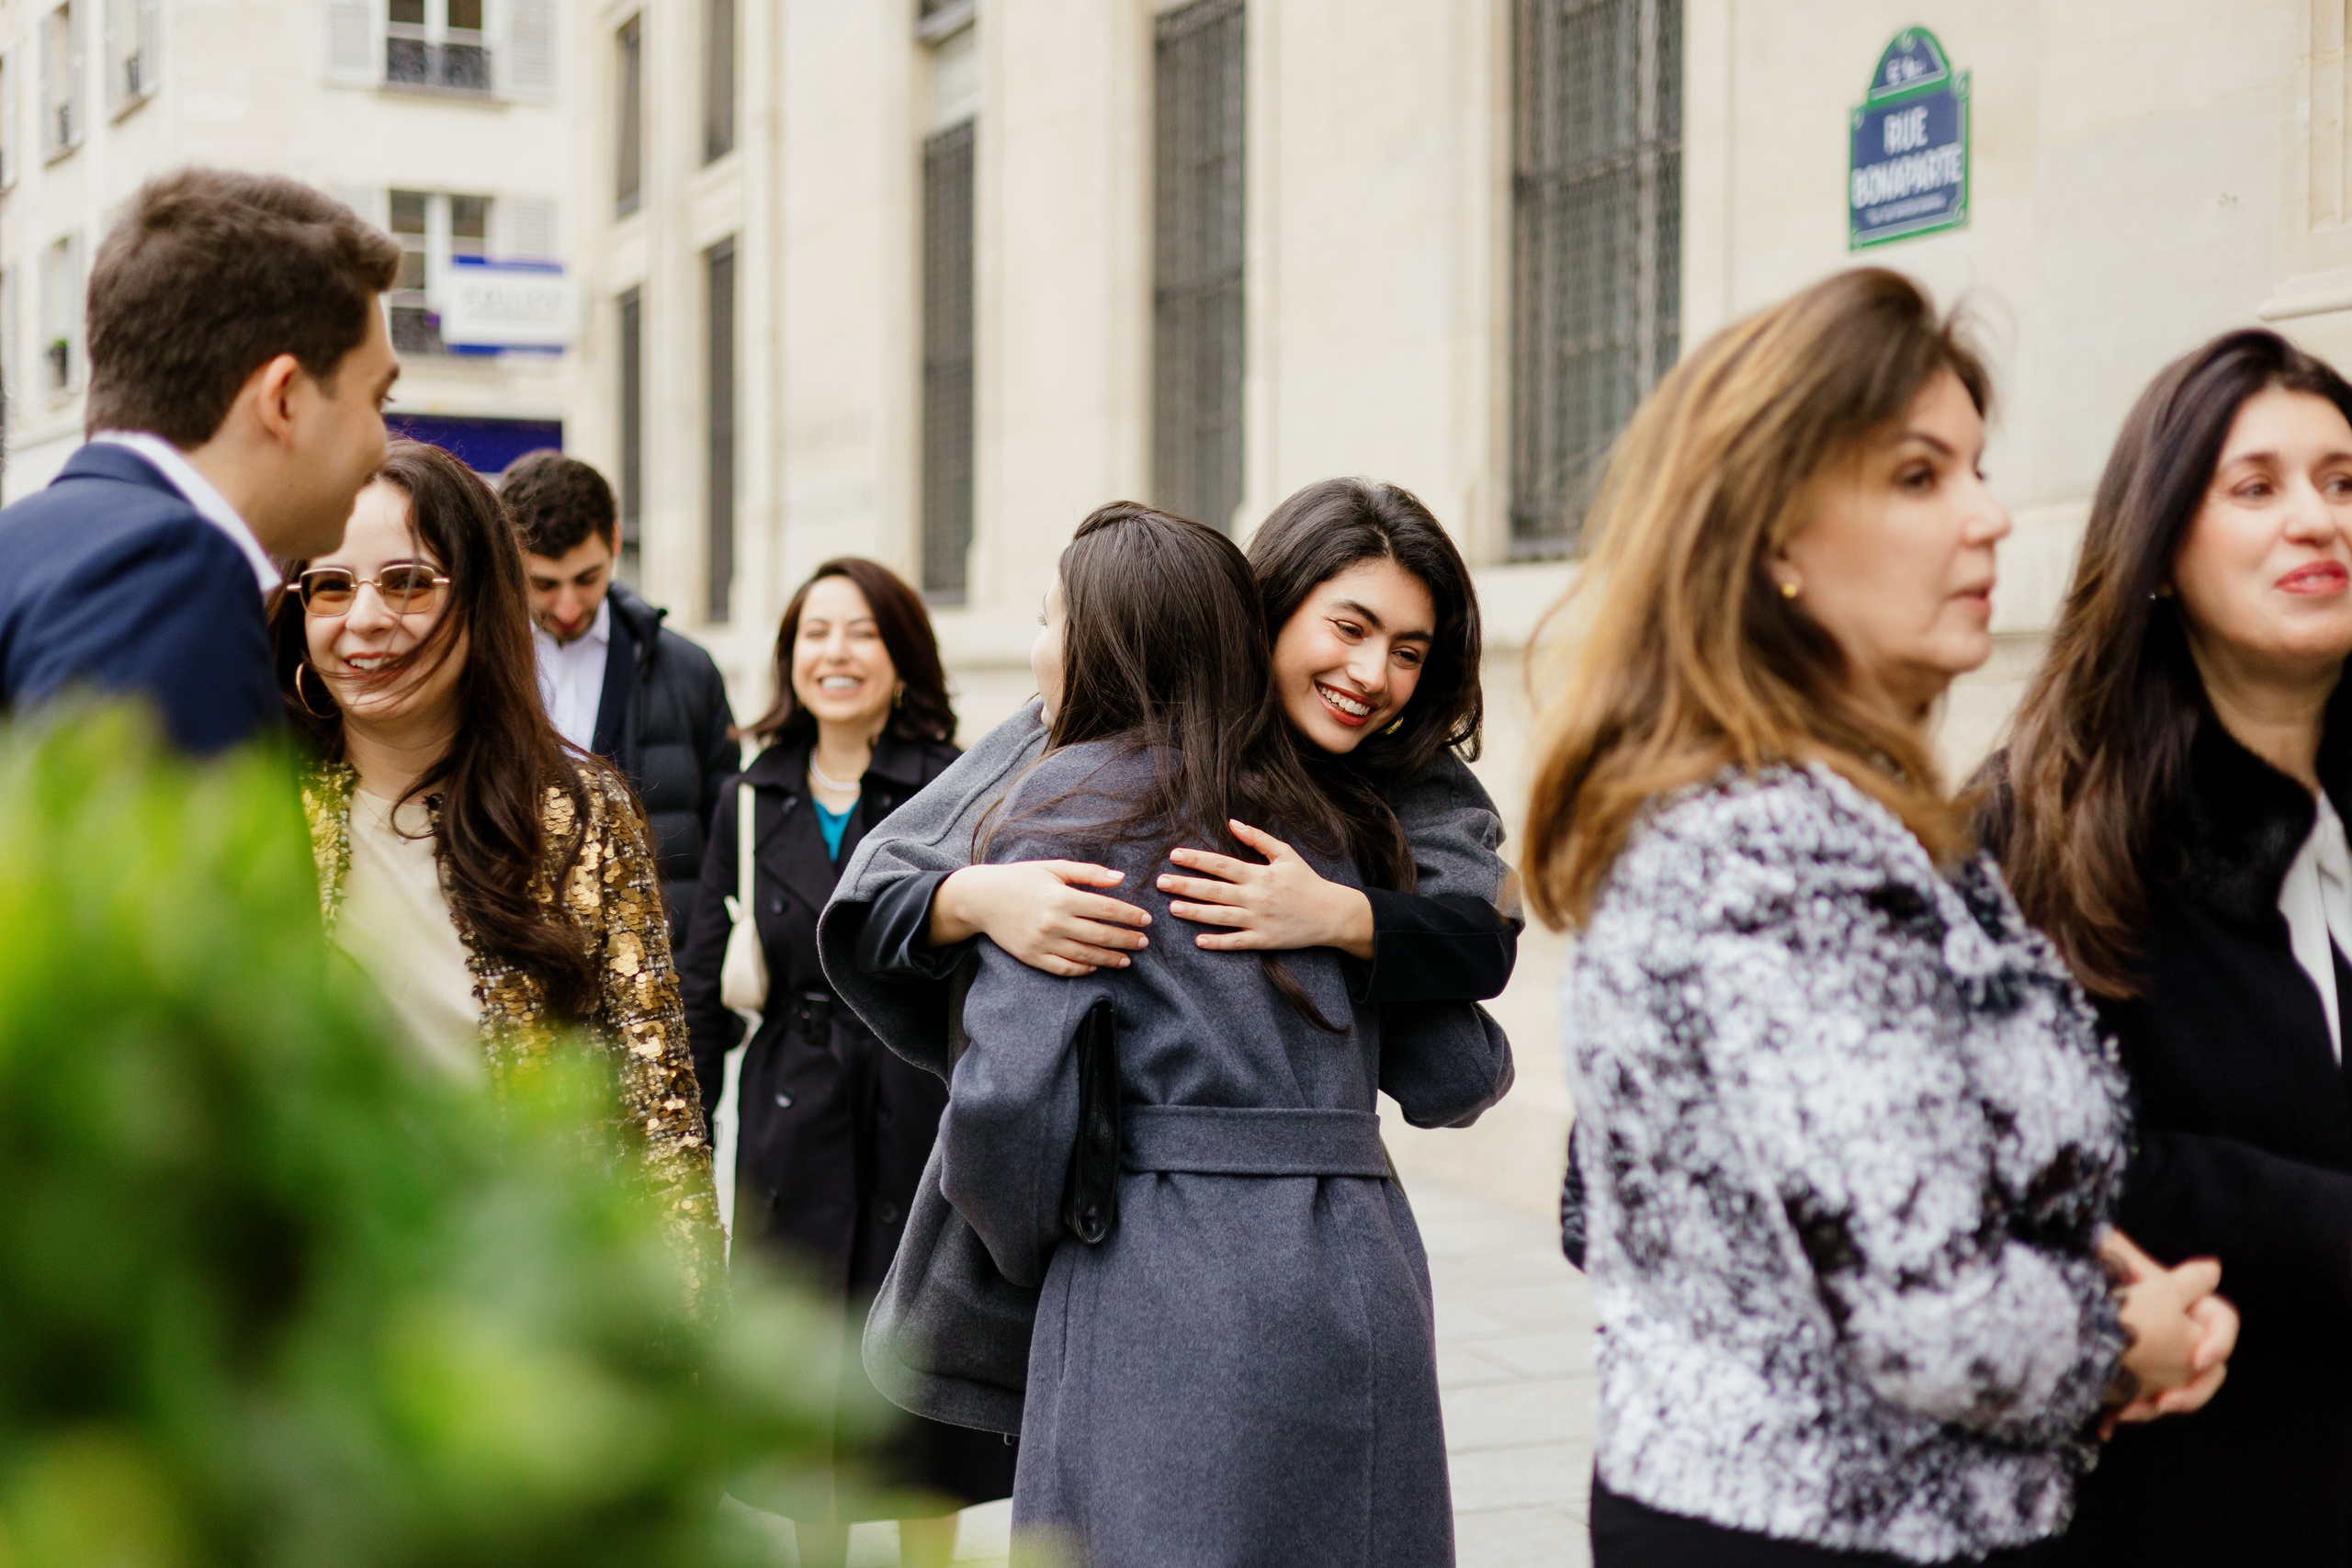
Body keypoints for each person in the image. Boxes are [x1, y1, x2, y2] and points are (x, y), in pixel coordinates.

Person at [1523, 268, 2236, 1566]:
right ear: (1774, 537)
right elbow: (1933, 1319)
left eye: (1975, 467)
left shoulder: (1840, 812)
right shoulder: (1776, 849)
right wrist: (2130, 1338)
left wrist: (2059, 1243)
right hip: (1823, 1531)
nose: (1990, 516)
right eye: (1919, 476)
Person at [939, 502, 1502, 1564]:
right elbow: (1459, 1073)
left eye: (1407, 650)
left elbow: (1010, 1106)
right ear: (1265, 615)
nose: (1375, 672)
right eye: (1350, 626)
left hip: (1151, 1265)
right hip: (1358, 1266)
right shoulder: (1353, 817)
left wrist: (1030, 1249)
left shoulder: (1067, 803)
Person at [1982, 330, 2352, 1564]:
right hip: (2178, 1488)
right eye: (2257, 486)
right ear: (2155, 551)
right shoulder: (2040, 821)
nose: (2316, 518)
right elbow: (2057, 1152)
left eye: (2345, 481)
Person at [274, 439, 714, 1271]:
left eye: (406, 581)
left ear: (479, 601)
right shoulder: (256, 812)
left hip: (529, 1318)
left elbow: (661, 1123)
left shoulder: (578, 816)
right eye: (330, 586)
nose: (365, 618)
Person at [675, 559, 1005, 1568]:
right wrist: (678, 1138)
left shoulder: (958, 785)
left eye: (861, 632)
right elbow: (697, 982)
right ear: (788, 657)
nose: (836, 654)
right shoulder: (748, 795)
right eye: (815, 633)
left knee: (918, 1368)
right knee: (805, 1373)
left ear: (902, 654)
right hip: (792, 1122)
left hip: (917, 1104)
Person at [0, 169, 402, 754]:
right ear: (283, 399)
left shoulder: (23, 539)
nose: (383, 445)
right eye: (377, 398)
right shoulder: (172, 570)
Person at [501, 450, 736, 950]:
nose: (567, 606)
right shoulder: (471, 666)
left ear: (613, 542)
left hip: (660, 972)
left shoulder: (690, 672)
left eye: (586, 579)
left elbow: (725, 844)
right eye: (544, 584)